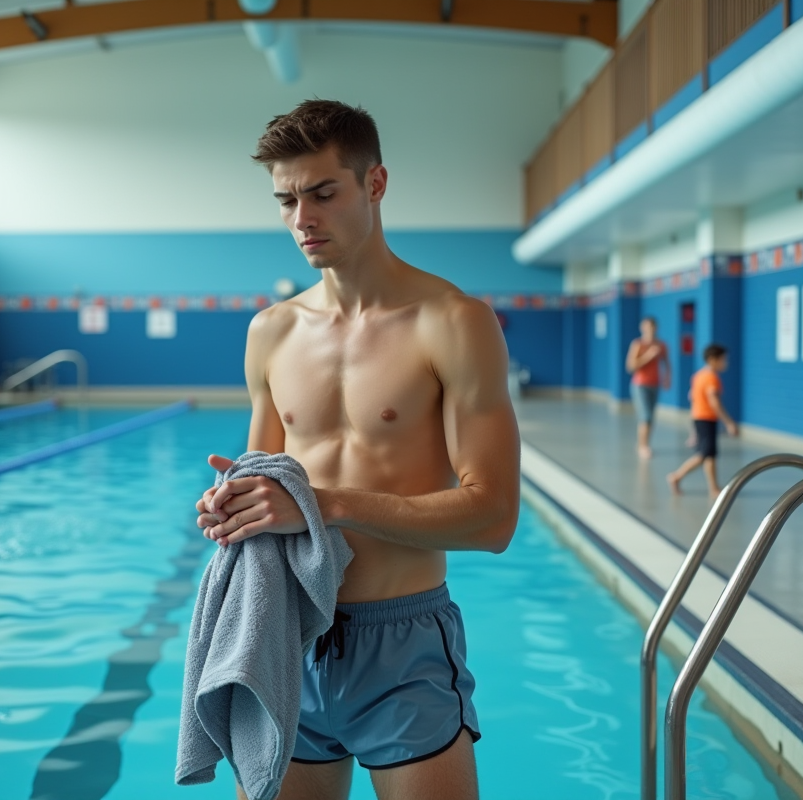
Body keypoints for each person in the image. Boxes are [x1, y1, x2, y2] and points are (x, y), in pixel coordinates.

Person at [193, 100, 520, 800]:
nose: (301, 219)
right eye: (285, 200)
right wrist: (234, 509)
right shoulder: (271, 333)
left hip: (402, 645)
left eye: (322, 193)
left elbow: (493, 519)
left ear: (375, 184)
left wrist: (325, 504)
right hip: (288, 637)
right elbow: (267, 493)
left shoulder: (453, 323)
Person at [667, 344, 738, 498]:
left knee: (709, 455)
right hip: (706, 419)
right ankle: (677, 476)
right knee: (704, 454)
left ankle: (713, 487)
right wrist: (728, 422)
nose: (726, 363)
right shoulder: (712, 378)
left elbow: (691, 397)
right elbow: (714, 402)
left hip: (699, 418)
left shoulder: (698, 375)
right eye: (723, 359)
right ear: (713, 360)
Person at [625, 316, 670, 459]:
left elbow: (667, 363)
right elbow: (630, 367)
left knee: (650, 417)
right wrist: (649, 355)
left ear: (656, 328)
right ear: (642, 328)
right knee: (646, 416)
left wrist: (667, 378)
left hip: (654, 384)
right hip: (640, 384)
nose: (650, 330)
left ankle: (642, 443)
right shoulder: (637, 344)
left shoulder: (661, 345)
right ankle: (643, 447)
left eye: (652, 327)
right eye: (646, 327)